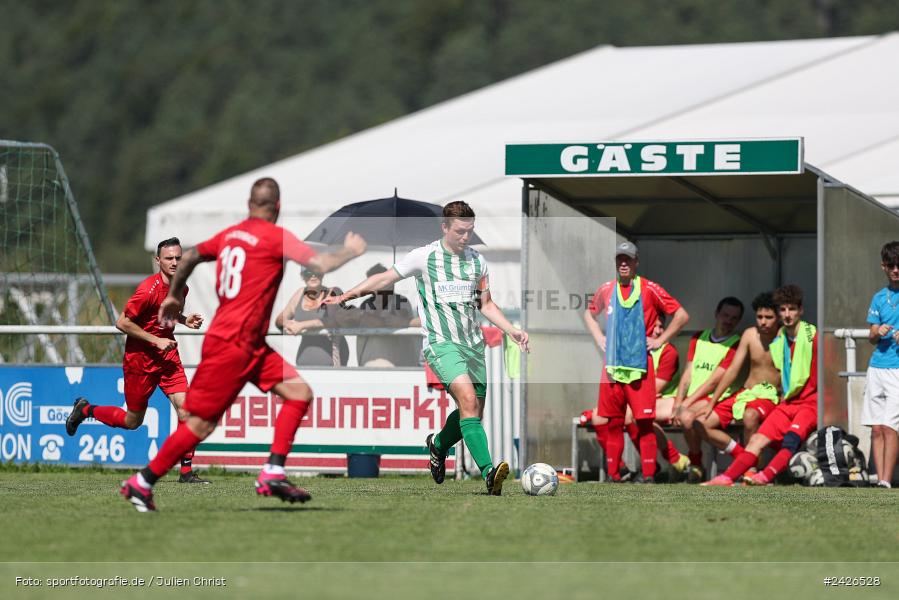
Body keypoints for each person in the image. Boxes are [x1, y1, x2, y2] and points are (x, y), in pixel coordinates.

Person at [119, 177, 366, 511]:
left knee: (299, 393)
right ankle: (142, 482)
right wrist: (350, 251)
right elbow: (319, 264)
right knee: (200, 424)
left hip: (250, 344)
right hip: (233, 345)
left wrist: (175, 294)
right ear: (277, 208)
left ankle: (273, 471)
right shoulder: (275, 237)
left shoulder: (230, 234)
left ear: (249, 205)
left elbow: (190, 257)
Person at [329, 201, 528, 495]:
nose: (466, 237)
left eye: (470, 231)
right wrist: (346, 295)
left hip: (473, 346)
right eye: (460, 231)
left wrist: (511, 330)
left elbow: (485, 304)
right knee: (469, 403)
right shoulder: (424, 257)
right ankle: (489, 473)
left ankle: (437, 445)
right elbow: (384, 278)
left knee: (471, 412)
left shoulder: (477, 262)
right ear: (444, 227)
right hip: (441, 344)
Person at [66, 237, 209, 484]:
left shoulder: (181, 287)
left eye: (178, 257)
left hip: (167, 357)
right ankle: (85, 409)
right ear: (158, 261)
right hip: (140, 360)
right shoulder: (148, 289)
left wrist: (185, 321)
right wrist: (156, 340)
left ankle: (186, 473)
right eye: (169, 258)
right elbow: (121, 322)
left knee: (187, 410)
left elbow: (165, 315)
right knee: (132, 421)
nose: (175, 262)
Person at [583, 241, 689, 483]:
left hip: (640, 368)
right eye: (620, 259)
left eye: (628, 259)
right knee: (613, 423)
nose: (623, 263)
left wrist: (660, 340)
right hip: (612, 368)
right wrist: (599, 335)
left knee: (643, 423)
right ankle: (613, 476)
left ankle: (650, 475)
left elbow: (682, 315)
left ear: (636, 262)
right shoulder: (606, 289)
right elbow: (589, 313)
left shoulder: (650, 289)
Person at [704, 284, 817, 486]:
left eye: (791, 309)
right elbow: (732, 370)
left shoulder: (806, 336)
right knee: (706, 424)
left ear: (800, 310)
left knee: (774, 431)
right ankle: (731, 472)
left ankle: (758, 473)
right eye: (783, 310)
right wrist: (712, 401)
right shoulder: (771, 337)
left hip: (795, 401)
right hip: (766, 398)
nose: (787, 314)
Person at [582, 316, 690, 480]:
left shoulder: (668, 351)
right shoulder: (630, 348)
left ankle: (672, 459)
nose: (658, 331)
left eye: (661, 327)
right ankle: (621, 469)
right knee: (599, 417)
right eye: (654, 326)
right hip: (635, 397)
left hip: (663, 399)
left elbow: (656, 388)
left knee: (633, 415)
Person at [693, 292, 781, 472]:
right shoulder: (750, 334)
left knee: (750, 417)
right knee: (700, 423)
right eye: (759, 317)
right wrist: (712, 402)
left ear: (778, 317)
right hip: (745, 393)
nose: (763, 322)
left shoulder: (786, 337)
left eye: (769, 317)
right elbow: (732, 370)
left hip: (770, 397)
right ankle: (743, 456)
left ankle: (751, 469)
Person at [670, 297, 744, 479]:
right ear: (716, 314)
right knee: (648, 416)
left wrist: (685, 404)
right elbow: (687, 372)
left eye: (734, 318)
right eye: (725, 315)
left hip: (715, 398)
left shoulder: (736, 343)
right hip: (693, 398)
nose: (728, 320)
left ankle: (695, 462)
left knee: (686, 418)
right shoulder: (698, 337)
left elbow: (713, 382)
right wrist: (678, 402)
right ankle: (671, 460)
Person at [862, 241, 899, 488]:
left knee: (889, 426)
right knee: (876, 427)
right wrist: (879, 330)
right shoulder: (878, 297)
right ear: (883, 267)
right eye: (891, 265)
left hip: (897, 369)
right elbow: (872, 335)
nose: (896, 270)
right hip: (877, 366)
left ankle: (886, 479)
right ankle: (880, 480)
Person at [275, 269, 349, 366]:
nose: (313, 276)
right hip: (303, 360)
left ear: (323, 273)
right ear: (302, 276)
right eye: (308, 272)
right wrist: (289, 324)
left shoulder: (333, 292)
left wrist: (301, 325)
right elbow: (279, 320)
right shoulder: (299, 294)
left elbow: (335, 320)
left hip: (331, 361)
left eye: (317, 272)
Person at [354, 263, 421, 367]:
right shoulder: (366, 304)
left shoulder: (400, 301)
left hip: (397, 363)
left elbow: (393, 321)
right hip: (370, 362)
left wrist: (368, 317)